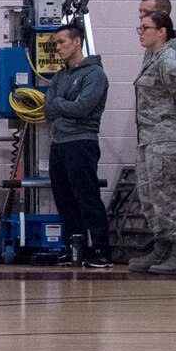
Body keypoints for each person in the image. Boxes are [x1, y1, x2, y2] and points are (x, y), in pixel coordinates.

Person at [133, 11, 176, 277]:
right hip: (151, 139)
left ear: (162, 31)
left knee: (171, 195)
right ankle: (163, 247)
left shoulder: (170, 60)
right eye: (138, 28)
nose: (141, 32)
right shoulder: (153, 58)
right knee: (152, 195)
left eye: (145, 27)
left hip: (170, 138)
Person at [43, 23, 112, 270]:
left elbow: (83, 108)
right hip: (59, 143)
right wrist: (64, 105)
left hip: (81, 142)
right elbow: (47, 108)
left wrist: (60, 105)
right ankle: (75, 248)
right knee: (64, 198)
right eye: (56, 43)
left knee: (87, 197)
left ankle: (101, 251)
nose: (58, 47)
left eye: (62, 42)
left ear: (76, 42)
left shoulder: (94, 74)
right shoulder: (60, 76)